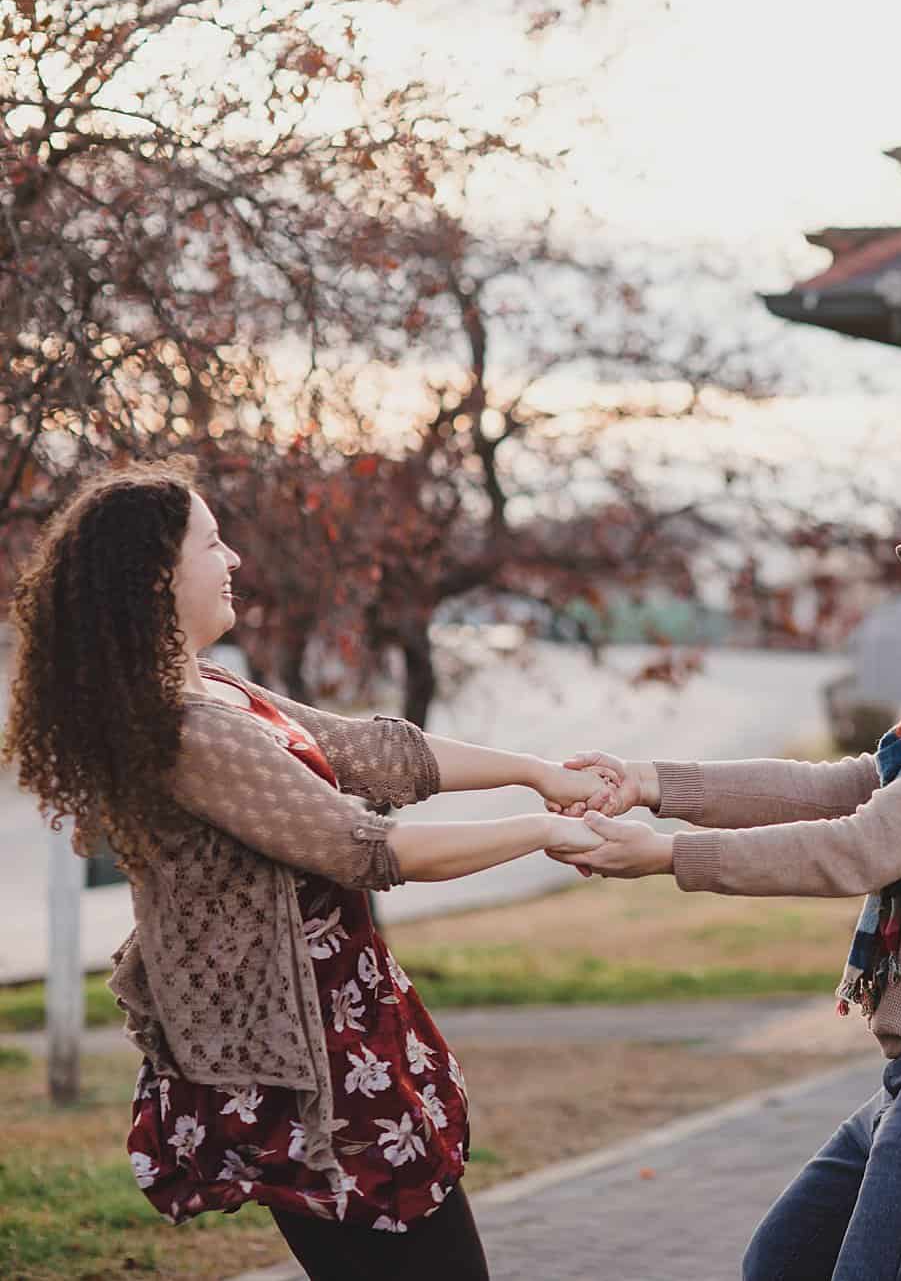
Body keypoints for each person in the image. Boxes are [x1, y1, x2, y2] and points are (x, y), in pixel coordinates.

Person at [2, 463, 616, 1281]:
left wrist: (537, 771)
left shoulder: (218, 692)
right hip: (305, 1066)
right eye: (211, 543)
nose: (234, 559)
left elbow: (370, 750)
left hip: (344, 1028)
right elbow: (366, 848)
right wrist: (541, 829)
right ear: (155, 577)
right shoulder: (187, 734)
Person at [555, 498, 901, 1281]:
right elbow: (848, 787)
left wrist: (664, 856)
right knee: (783, 1261)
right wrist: (651, 781)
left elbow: (861, 845)